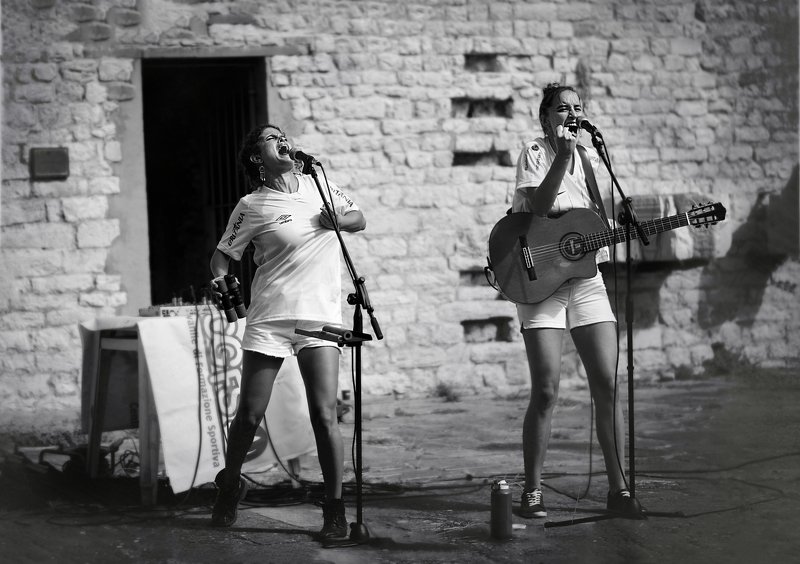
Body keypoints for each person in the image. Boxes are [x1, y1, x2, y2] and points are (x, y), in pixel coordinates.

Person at [209, 123, 366, 539]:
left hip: (319, 317)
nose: (281, 140)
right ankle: (230, 485)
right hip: (271, 317)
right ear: (257, 157)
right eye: (269, 137)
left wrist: (340, 220)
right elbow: (222, 257)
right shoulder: (251, 204)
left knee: (324, 413)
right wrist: (221, 283)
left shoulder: (319, 184)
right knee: (249, 413)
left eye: (282, 135)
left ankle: (334, 508)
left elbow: (359, 218)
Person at [512, 84, 641, 518]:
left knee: (607, 382)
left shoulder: (589, 158)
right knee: (547, 388)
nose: (572, 113)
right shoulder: (535, 152)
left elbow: (589, 223)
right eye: (562, 107)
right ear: (546, 117)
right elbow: (540, 207)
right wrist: (562, 155)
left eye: (578, 107)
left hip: (585, 279)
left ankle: (619, 490)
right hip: (540, 281)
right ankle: (532, 490)